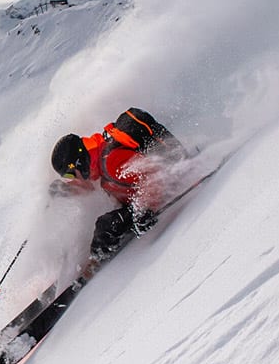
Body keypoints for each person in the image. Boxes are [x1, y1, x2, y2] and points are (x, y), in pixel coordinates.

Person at [50, 107, 188, 260]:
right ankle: (96, 253)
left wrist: (143, 209)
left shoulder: (111, 162)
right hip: (140, 203)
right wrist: (62, 190)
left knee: (105, 227)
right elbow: (88, 189)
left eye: (70, 175)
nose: (72, 180)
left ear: (79, 165)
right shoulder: (99, 162)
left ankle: (98, 257)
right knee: (102, 227)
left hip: (164, 191)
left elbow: (153, 173)